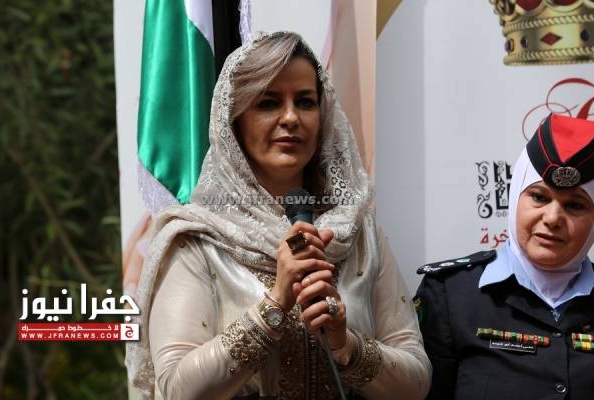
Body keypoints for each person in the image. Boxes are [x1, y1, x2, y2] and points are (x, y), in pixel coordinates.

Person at [125, 31, 431, 400]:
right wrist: (275, 303)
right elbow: (179, 390)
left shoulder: (359, 233)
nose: (290, 118)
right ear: (234, 121)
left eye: (305, 102)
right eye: (268, 103)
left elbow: (416, 384)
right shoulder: (198, 239)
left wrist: (345, 344)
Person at [415, 113, 594, 399]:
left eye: (575, 205)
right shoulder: (449, 295)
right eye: (539, 197)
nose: (552, 218)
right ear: (514, 198)